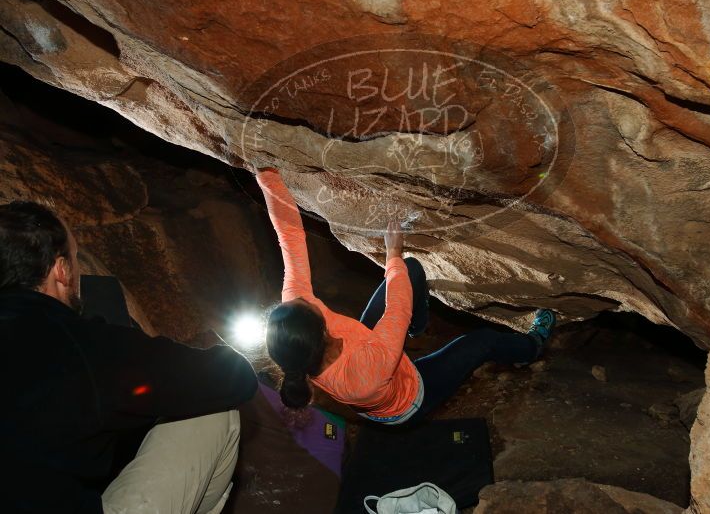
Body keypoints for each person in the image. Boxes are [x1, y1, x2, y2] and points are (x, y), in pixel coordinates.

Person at [0, 201, 258, 514]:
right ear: (62, 270)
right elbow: (233, 379)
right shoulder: (77, 342)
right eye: (76, 257)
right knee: (215, 413)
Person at [257, 168, 556, 426]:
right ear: (322, 330)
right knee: (483, 342)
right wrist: (392, 255)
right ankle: (532, 347)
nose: (300, 297)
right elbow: (396, 310)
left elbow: (290, 240)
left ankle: (416, 329)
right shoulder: (361, 378)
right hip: (410, 395)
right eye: (306, 305)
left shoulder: (296, 315)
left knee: (410, 271)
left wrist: (266, 175)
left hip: (368, 346)